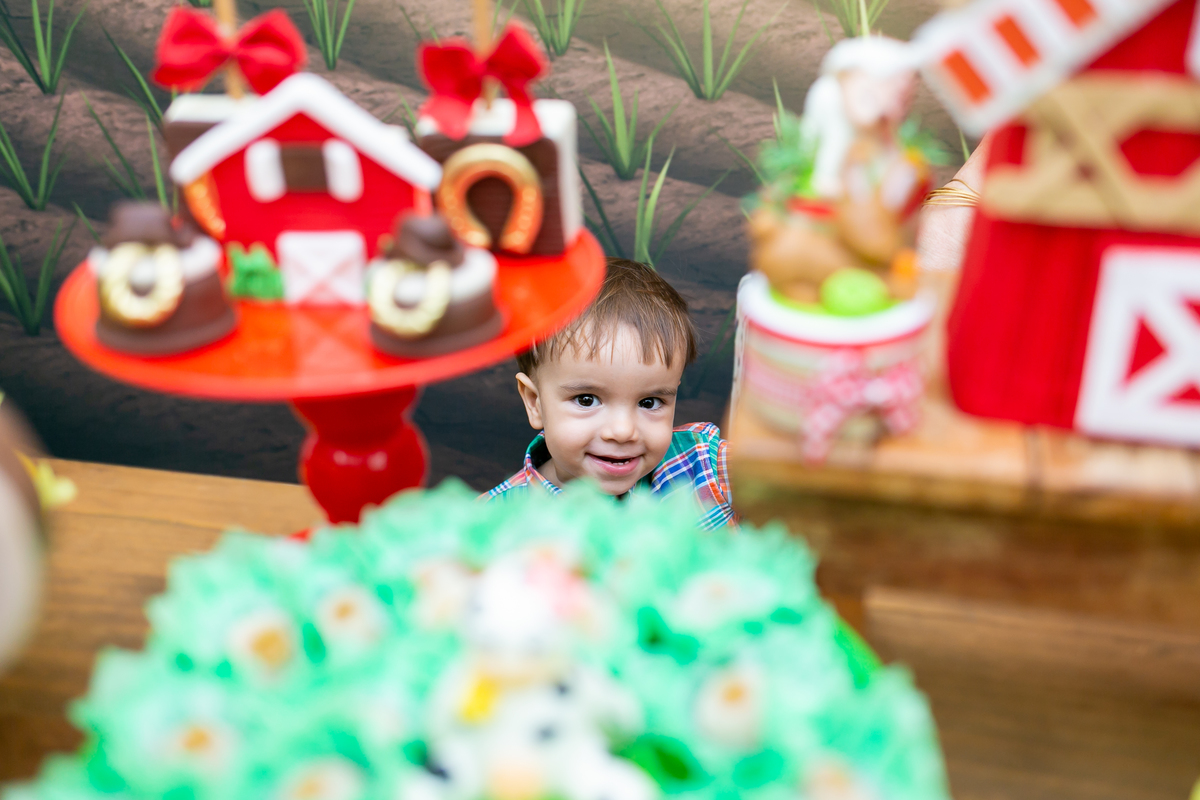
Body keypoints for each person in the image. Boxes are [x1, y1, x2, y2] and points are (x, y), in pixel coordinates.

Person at [486, 258, 736, 530]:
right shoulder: (493, 524)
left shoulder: (704, 466)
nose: (622, 431)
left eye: (649, 402)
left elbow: (784, 479)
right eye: (586, 399)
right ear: (535, 402)